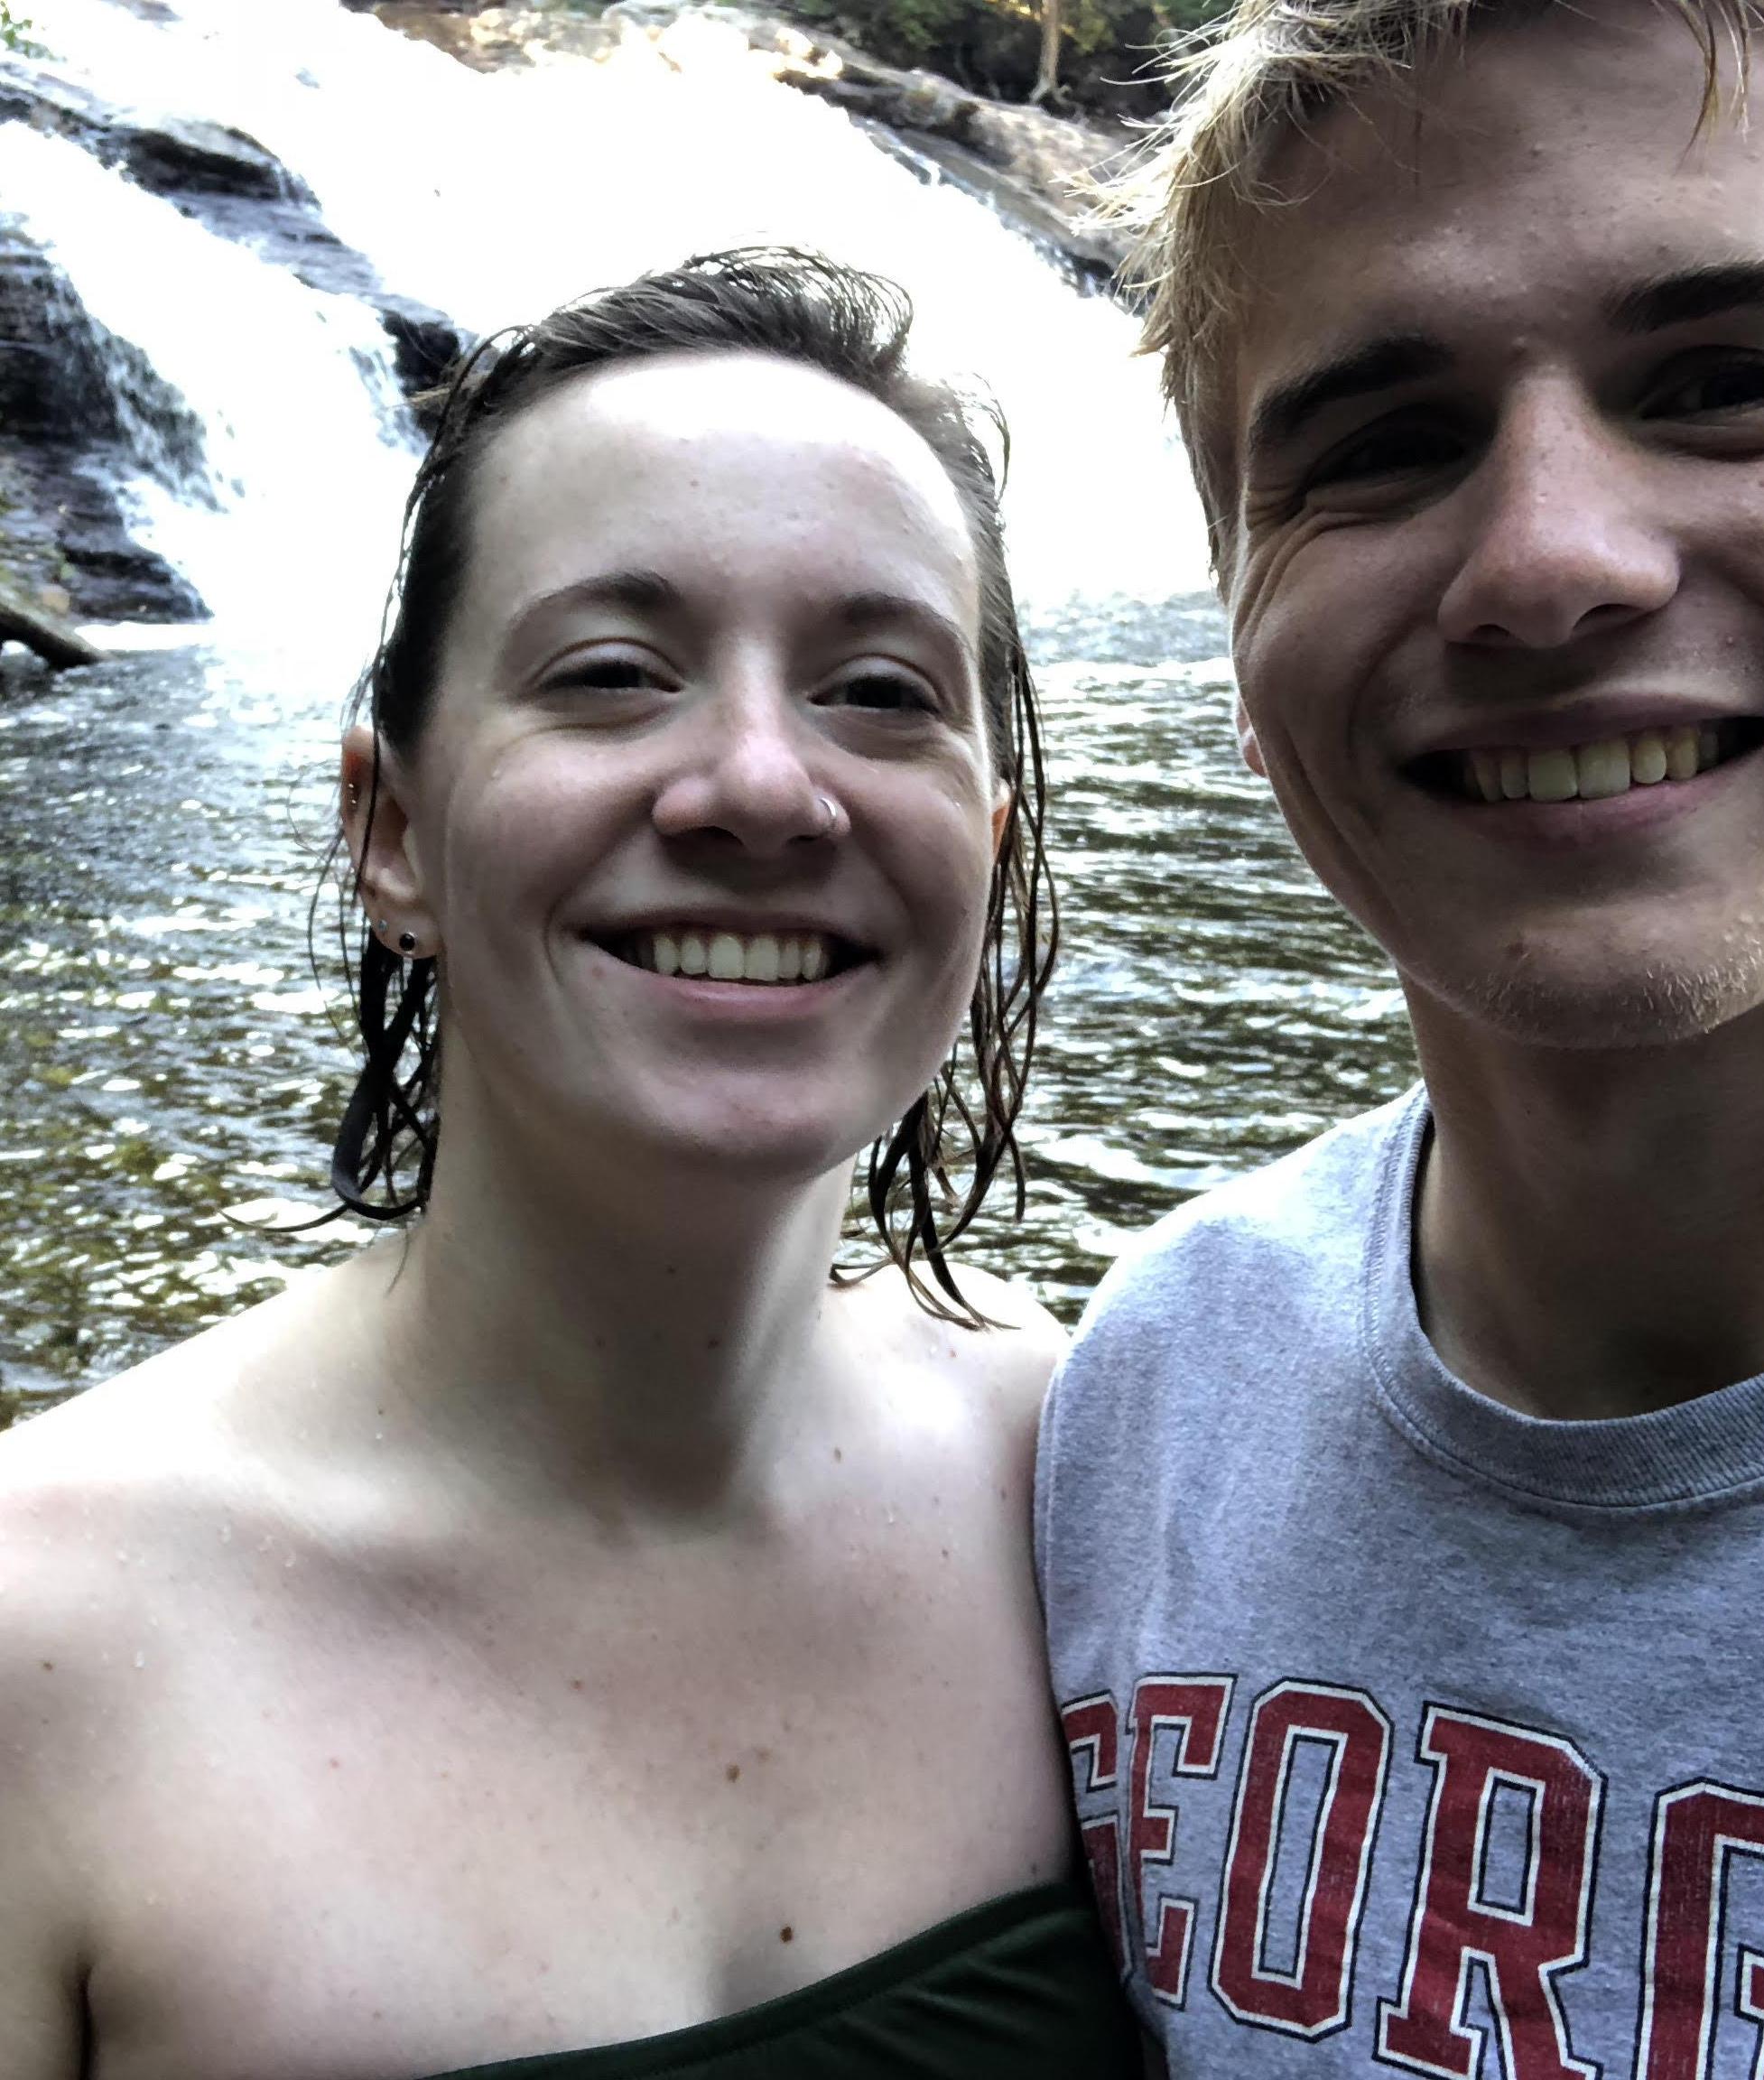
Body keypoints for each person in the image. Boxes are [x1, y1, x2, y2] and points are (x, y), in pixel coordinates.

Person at [1036, 0, 1764, 2069]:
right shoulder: (1145, 1404)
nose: (1549, 562)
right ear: (1243, 624)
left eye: (1732, 384)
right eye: (1382, 447)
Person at [0, 248, 1145, 2078]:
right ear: (391, 829)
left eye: (878, 688)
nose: (766, 787)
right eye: (613, 675)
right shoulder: (39, 1639)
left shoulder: (1086, 1483)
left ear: (989, 844)